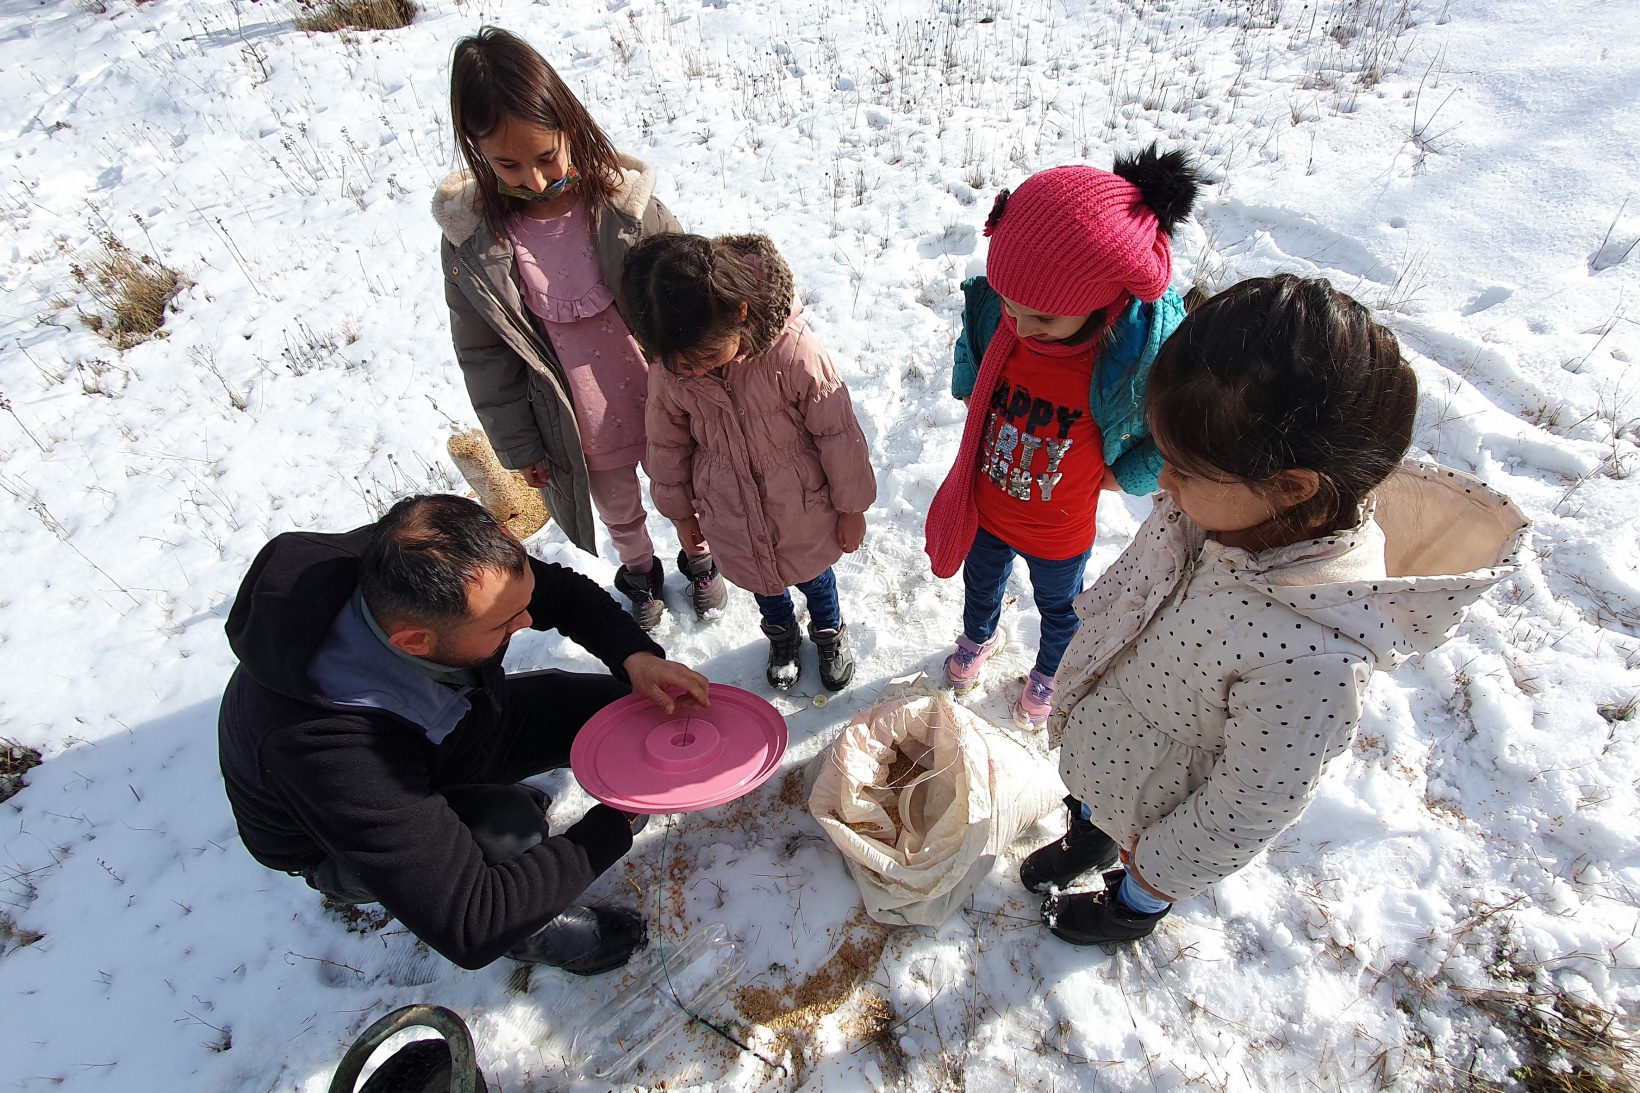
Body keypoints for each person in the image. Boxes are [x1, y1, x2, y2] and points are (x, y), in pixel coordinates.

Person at [1031, 276, 1528, 944]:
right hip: (1113, 748)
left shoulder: (1314, 657)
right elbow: (1138, 590)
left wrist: (1159, 866)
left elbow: (1247, 804)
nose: (1161, 483)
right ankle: (1089, 835)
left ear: (1290, 486)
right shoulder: (1221, 511)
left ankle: (1129, 909)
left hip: (1162, 813)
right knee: (1093, 802)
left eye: (1178, 465)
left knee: (1142, 873)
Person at [217, 494, 712, 972]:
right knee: (504, 827)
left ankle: (481, 790)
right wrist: (618, 819)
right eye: (503, 625)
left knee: (615, 715)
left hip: (454, 725)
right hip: (334, 833)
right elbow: (473, 922)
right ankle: (542, 937)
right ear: (415, 641)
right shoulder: (328, 750)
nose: (525, 622)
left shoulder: (424, 564)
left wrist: (635, 656)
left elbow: (557, 595)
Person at [434, 26, 724, 630]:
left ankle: (700, 558)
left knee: (683, 487)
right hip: (576, 416)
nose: (535, 180)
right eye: (508, 164)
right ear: (477, 151)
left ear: (569, 124)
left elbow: (689, 293)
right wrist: (520, 445)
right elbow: (484, 355)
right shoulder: (474, 242)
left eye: (545, 157)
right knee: (618, 506)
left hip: (659, 395)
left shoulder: (625, 206)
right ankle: (639, 573)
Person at [924, 146, 1201, 729]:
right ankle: (979, 638)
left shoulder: (1129, 360)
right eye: (1009, 308)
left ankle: (1049, 672)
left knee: (1061, 607)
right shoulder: (1003, 323)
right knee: (981, 585)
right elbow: (974, 364)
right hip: (988, 508)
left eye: (1042, 320)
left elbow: (1166, 436)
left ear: (1099, 303)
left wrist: (1121, 475)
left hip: (1060, 530)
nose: (1020, 329)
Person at [622, 232, 877, 692]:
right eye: (680, 365)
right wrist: (681, 514)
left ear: (740, 312)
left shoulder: (792, 351)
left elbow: (838, 434)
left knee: (815, 577)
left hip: (800, 506)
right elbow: (666, 444)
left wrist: (851, 507)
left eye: (702, 357)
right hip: (730, 509)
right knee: (765, 587)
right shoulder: (672, 366)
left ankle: (828, 633)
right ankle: (781, 636)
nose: (692, 371)